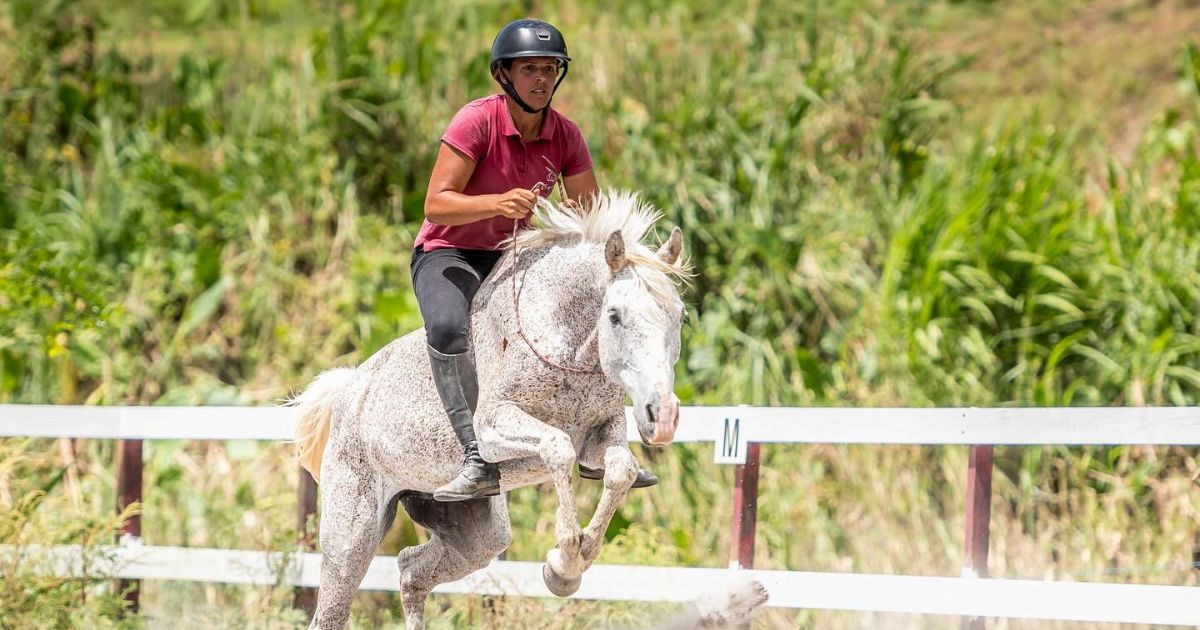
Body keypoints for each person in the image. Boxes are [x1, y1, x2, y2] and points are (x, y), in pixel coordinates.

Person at [415, 18, 658, 502]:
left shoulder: (566, 134)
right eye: (529, 69)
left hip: (514, 255)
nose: (542, 79)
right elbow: (435, 203)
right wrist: (496, 203)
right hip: (450, 251)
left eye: (550, 69)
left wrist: (573, 211)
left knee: (594, 310)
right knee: (446, 327)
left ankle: (601, 443)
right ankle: (474, 456)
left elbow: (591, 210)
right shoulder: (476, 121)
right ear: (503, 75)